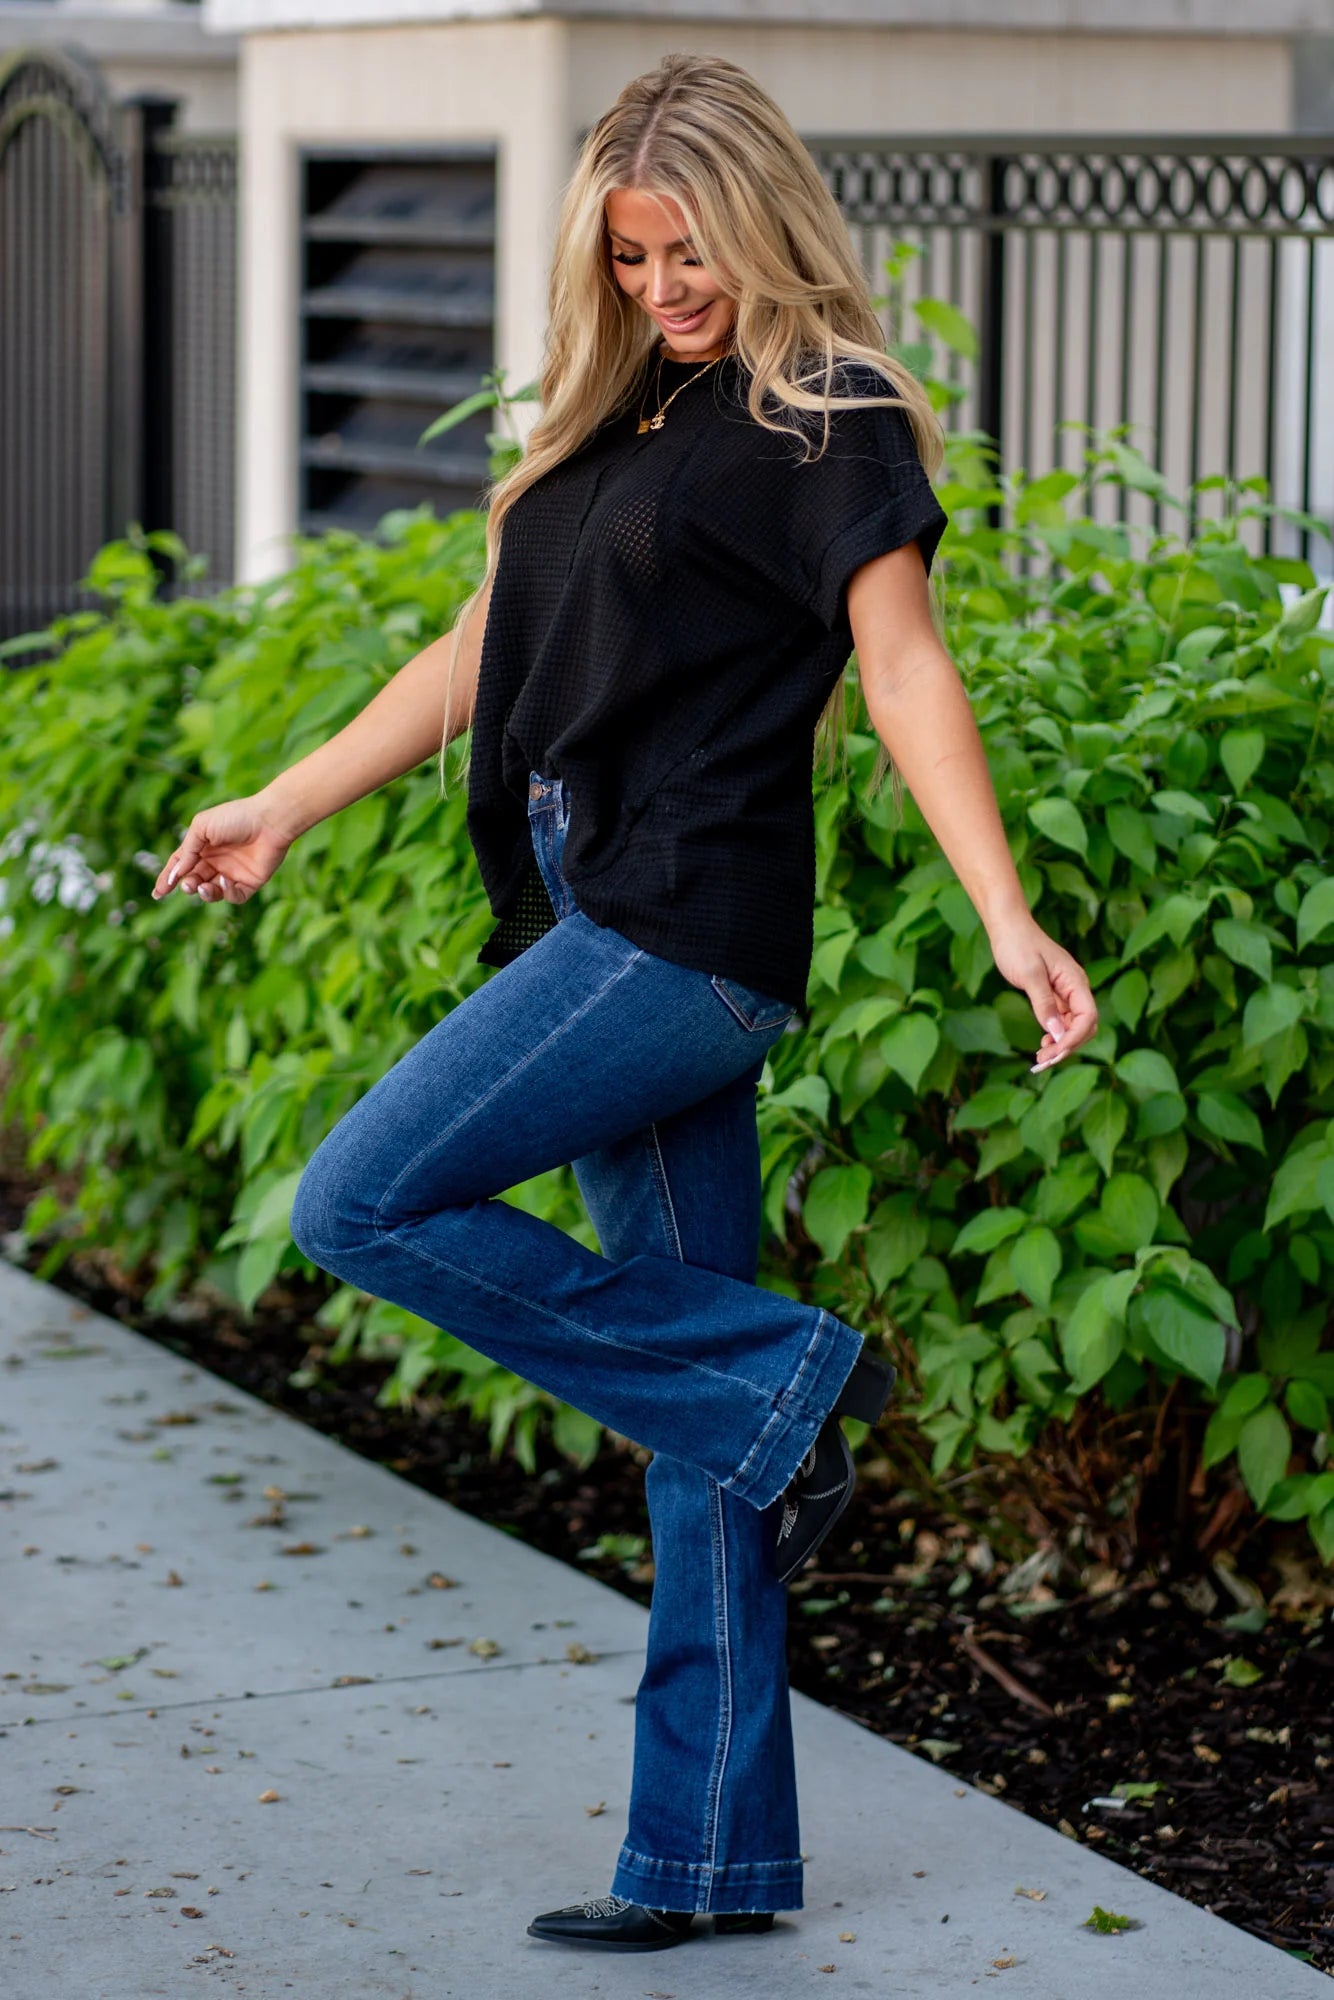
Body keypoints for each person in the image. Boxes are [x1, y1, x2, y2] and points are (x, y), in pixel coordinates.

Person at [150, 51, 1097, 1957]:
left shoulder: (828, 418)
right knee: (698, 1435)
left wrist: (1004, 913)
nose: (664, 284)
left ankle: (789, 1383)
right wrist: (285, 802)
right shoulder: (619, 408)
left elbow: (902, 669)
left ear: (766, 224)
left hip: (681, 929)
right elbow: (480, 646)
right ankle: (705, 1858)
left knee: (357, 1200)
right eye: (634, 253)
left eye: (691, 251)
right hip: (585, 899)